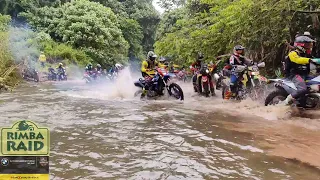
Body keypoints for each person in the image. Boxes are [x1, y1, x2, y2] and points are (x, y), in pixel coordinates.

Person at [282, 35, 317, 106]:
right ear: (301, 46)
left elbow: (315, 63)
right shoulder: (293, 53)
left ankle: (310, 101)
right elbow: (297, 60)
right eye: (308, 45)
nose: (310, 47)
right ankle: (287, 101)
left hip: (304, 75)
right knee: (302, 89)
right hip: (294, 75)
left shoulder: (306, 55)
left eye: (310, 45)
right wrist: (310, 60)